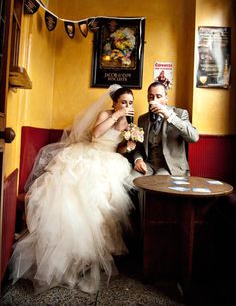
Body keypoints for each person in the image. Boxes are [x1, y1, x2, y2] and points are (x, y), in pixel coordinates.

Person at [9, 85, 137, 294]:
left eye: (130, 103)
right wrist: (117, 115)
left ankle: (90, 257)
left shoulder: (128, 121)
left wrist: (128, 146)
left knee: (108, 199)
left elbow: (118, 146)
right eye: (123, 102)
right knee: (80, 194)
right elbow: (96, 134)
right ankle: (69, 257)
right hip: (91, 156)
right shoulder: (106, 114)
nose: (128, 106)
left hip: (111, 159)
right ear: (114, 102)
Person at [132, 81, 199, 178]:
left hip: (170, 168)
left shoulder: (180, 114)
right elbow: (139, 147)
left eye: (159, 96)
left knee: (156, 183)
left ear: (166, 98)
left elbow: (194, 138)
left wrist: (169, 116)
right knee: (129, 180)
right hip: (149, 165)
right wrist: (138, 159)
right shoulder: (142, 119)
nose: (154, 100)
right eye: (151, 97)